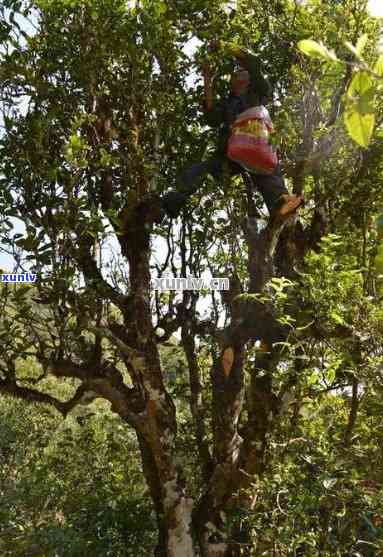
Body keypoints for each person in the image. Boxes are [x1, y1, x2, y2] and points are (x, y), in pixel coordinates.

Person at [162, 41, 303, 220]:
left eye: (241, 71)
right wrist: (207, 79)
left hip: (257, 141)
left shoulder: (257, 91)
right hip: (233, 151)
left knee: (267, 169)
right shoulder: (228, 102)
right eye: (235, 74)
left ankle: (280, 203)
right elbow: (212, 118)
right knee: (202, 169)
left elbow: (253, 61)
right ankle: (170, 203)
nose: (238, 74)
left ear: (249, 79)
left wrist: (223, 46)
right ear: (232, 83)